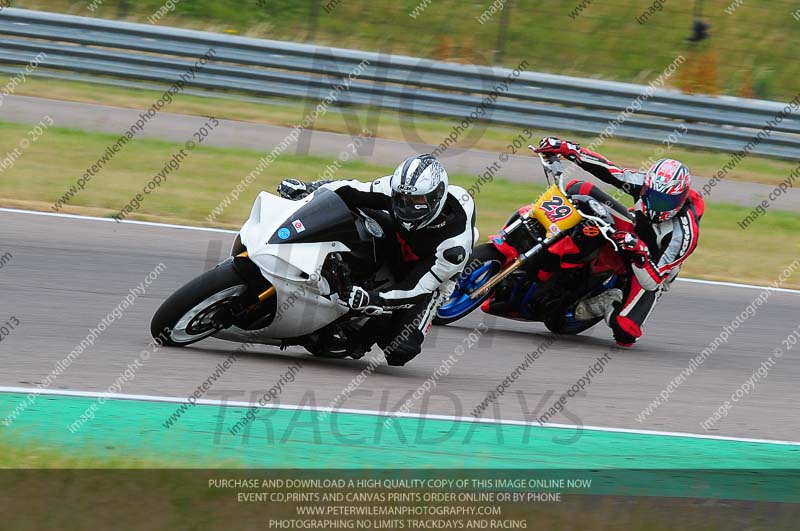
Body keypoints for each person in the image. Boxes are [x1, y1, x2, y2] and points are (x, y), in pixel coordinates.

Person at [277, 154, 477, 365]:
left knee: (400, 350)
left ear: (437, 197)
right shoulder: (394, 188)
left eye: (417, 201)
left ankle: (371, 325)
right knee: (350, 212)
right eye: (402, 199)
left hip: (425, 274)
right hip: (397, 239)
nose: (407, 207)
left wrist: (372, 300)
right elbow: (350, 190)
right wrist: (307, 189)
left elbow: (416, 289)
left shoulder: (455, 246)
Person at [535, 137, 704, 347]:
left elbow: (653, 280)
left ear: (680, 199)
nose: (655, 205)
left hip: (649, 265)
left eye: (664, 202)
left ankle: (607, 301)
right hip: (630, 229)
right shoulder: (644, 184)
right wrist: (570, 150)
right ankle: (540, 234)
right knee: (581, 190)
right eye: (650, 195)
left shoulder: (684, 234)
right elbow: (609, 170)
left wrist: (639, 251)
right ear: (647, 186)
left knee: (626, 332)